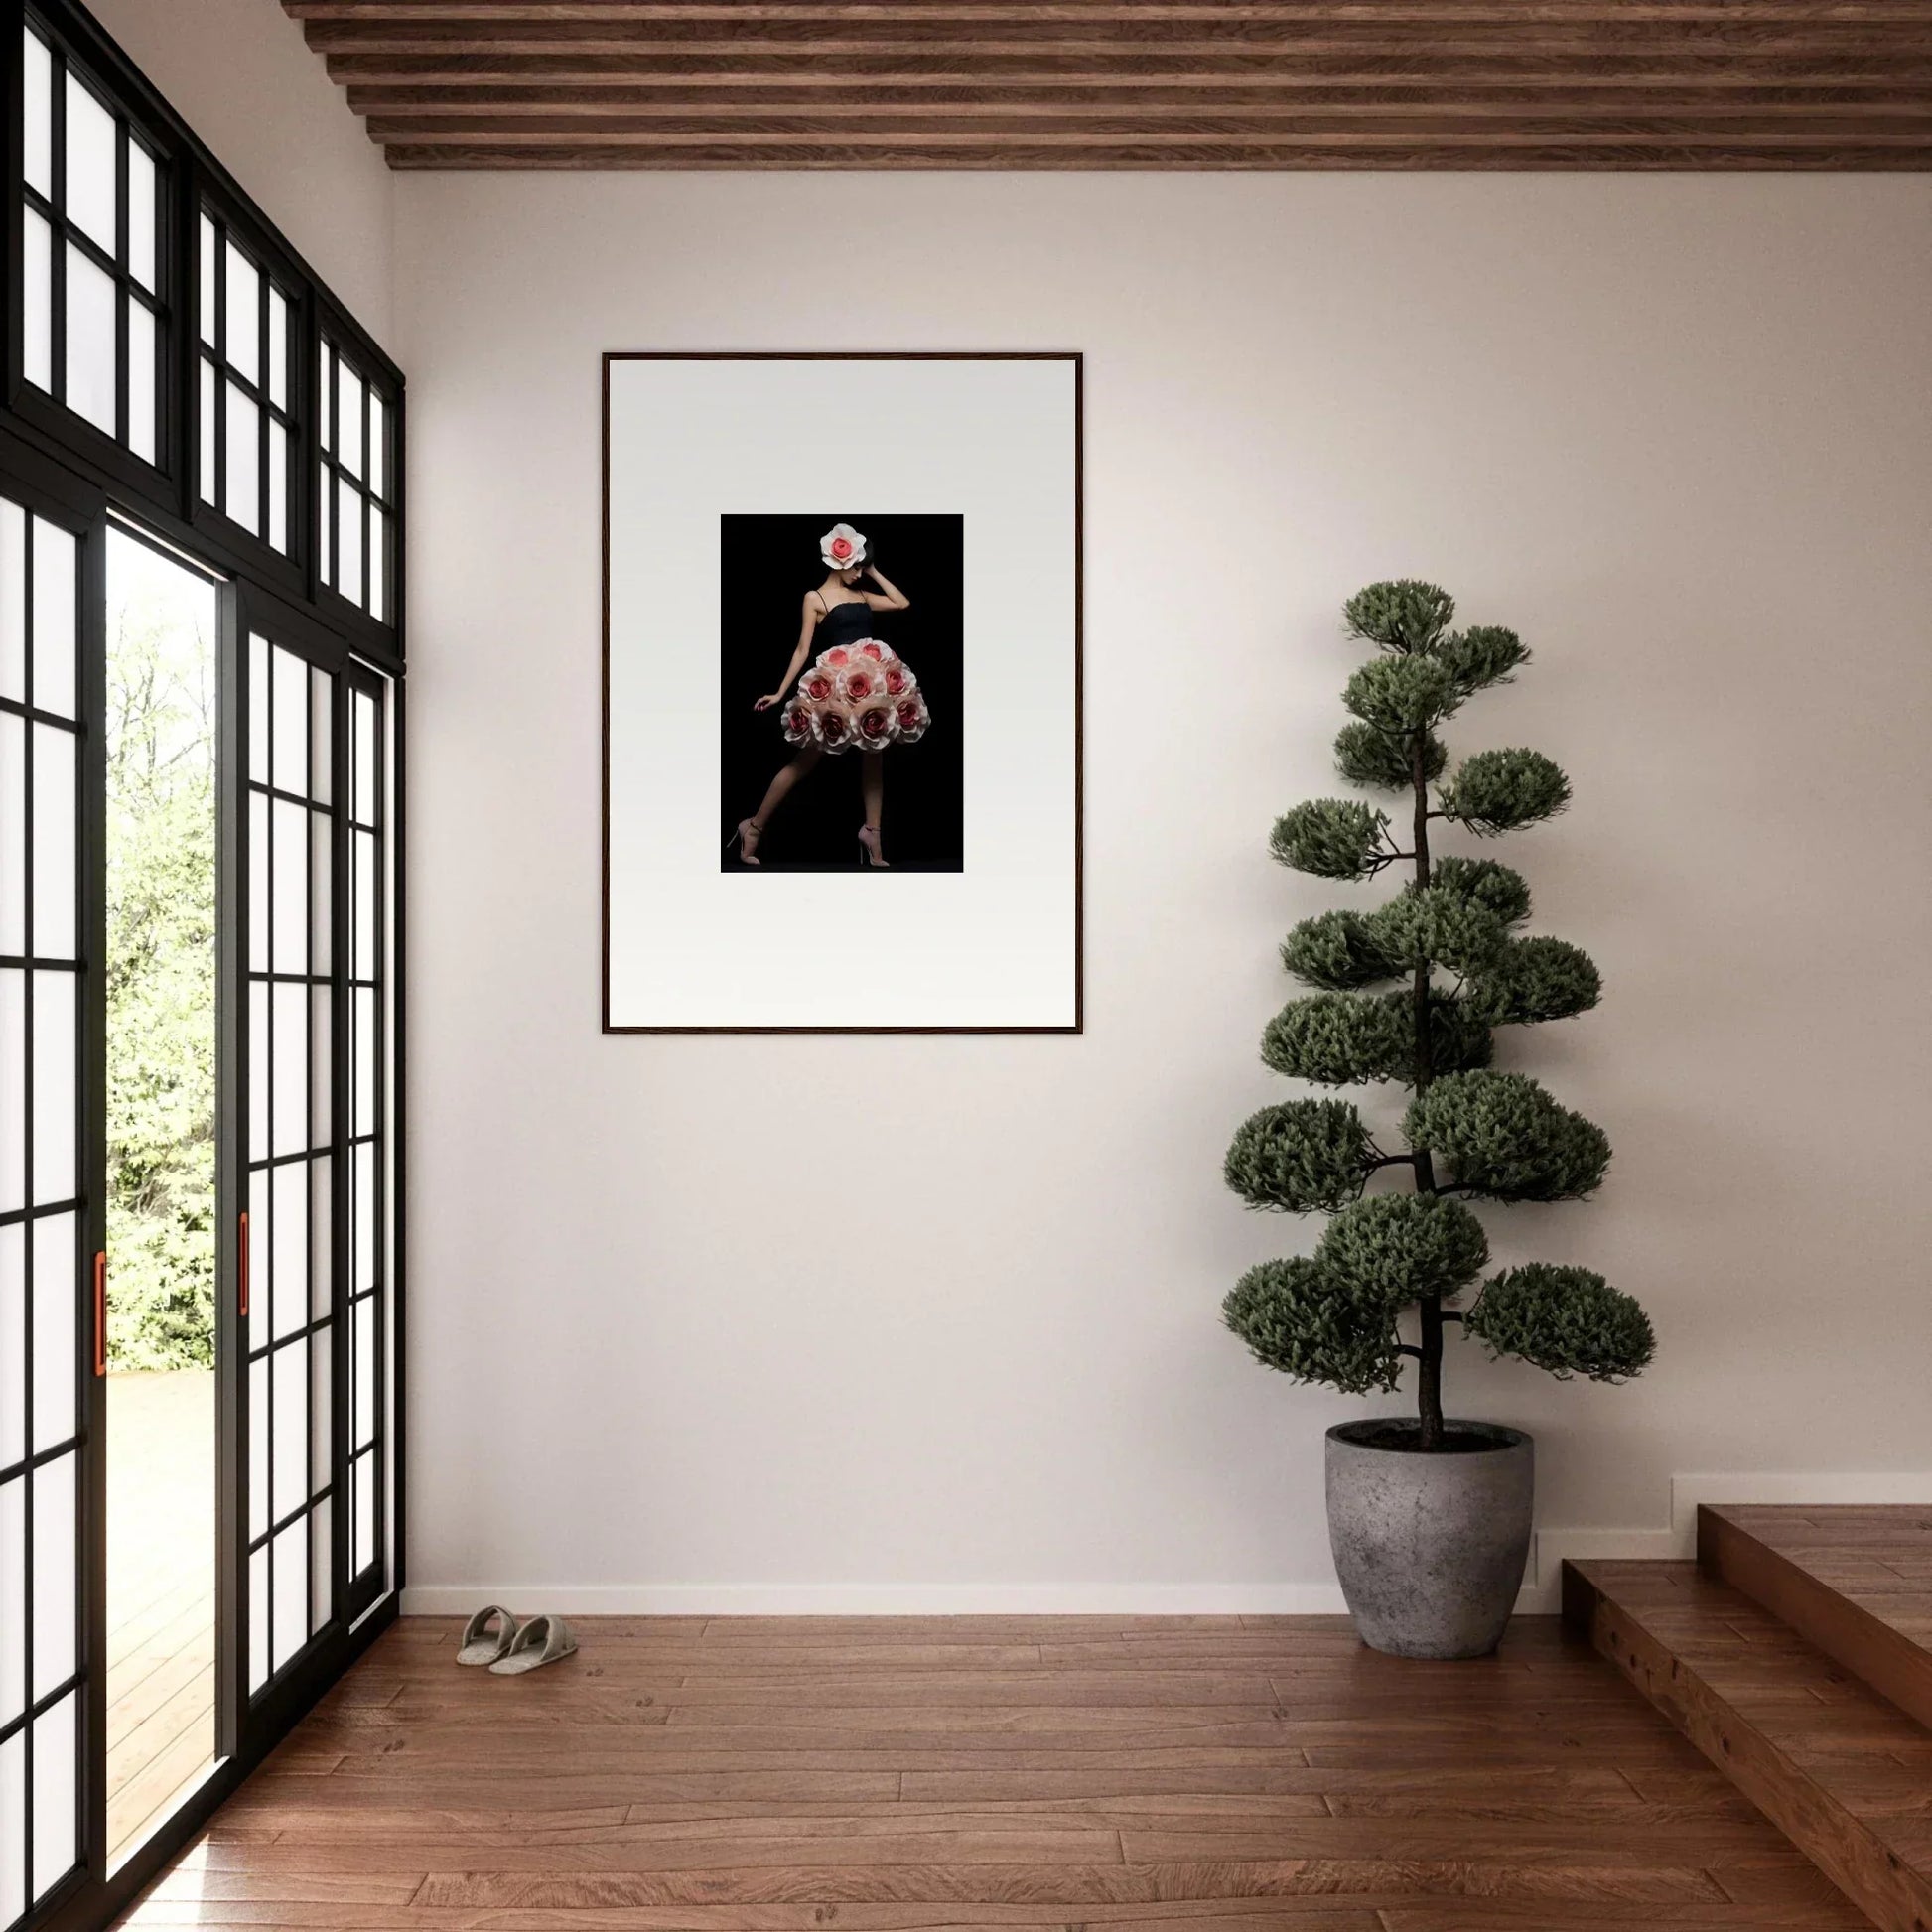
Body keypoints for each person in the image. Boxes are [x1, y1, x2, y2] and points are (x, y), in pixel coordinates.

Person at [732, 522, 930, 869]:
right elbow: (802, 649)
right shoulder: (816, 598)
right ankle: (754, 826)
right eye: (855, 565)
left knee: (875, 755)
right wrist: (780, 692)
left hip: (872, 685)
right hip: (837, 688)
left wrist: (871, 567)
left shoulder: (862, 595)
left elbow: (902, 603)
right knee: (804, 762)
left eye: (861, 566)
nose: (859, 573)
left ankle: (873, 835)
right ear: (838, 563)